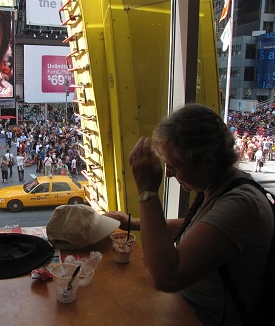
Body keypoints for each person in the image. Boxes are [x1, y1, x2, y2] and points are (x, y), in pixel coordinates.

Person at [105, 104, 273, 326]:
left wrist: (147, 192)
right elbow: (198, 227)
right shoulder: (224, 188)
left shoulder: (241, 204)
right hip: (187, 309)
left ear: (207, 161)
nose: (168, 175)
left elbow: (167, 277)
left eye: (173, 167)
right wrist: (131, 223)